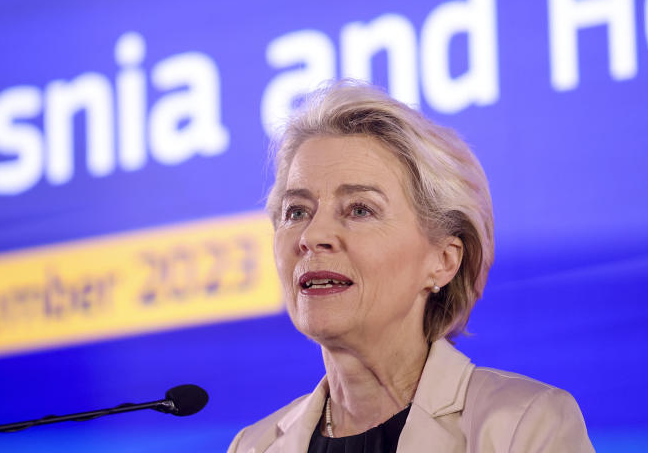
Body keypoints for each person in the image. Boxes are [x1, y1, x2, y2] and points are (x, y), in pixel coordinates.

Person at [229, 81, 594, 453]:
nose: (312, 235)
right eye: (297, 211)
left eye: (359, 209)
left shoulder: (522, 427)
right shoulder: (251, 446)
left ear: (444, 260)